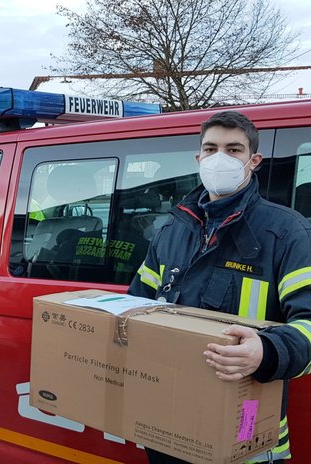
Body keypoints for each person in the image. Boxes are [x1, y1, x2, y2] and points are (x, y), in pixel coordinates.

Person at [129, 110, 311, 463]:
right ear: (198, 158)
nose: (219, 159)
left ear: (253, 160)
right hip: (169, 425)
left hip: (246, 429)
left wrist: (267, 352)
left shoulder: (287, 232)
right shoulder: (171, 230)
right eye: (211, 149)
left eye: (233, 149)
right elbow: (135, 306)